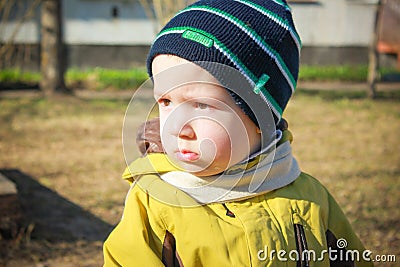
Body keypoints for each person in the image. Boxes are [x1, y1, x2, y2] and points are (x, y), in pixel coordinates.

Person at [103, 0, 373, 266]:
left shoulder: (310, 199)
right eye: (165, 102)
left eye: (201, 105)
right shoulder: (153, 203)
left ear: (260, 116)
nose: (178, 127)